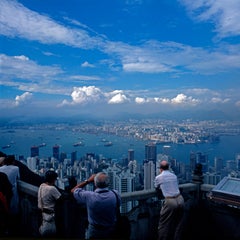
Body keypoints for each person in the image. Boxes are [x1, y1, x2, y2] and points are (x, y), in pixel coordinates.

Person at [71, 172, 121, 239]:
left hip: (94, 231)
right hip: (112, 230)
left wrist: (88, 181)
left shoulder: (89, 196)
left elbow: (73, 190)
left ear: (95, 183)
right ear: (108, 183)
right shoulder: (115, 194)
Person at [154, 160, 185, 240]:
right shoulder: (174, 176)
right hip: (180, 199)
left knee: (164, 224)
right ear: (168, 167)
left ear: (160, 169)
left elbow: (157, 188)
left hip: (170, 201)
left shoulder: (158, 177)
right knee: (179, 223)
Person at [38, 170, 62, 237]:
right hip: (50, 219)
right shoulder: (52, 189)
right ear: (53, 179)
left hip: (42, 217)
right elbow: (60, 198)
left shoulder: (41, 186)